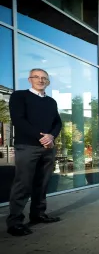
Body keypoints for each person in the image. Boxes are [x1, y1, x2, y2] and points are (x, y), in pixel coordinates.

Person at [6, 68, 62, 236]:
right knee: (23, 184)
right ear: (30, 79)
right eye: (36, 77)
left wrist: (51, 136)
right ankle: (15, 222)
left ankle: (38, 214)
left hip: (48, 148)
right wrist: (41, 137)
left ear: (48, 82)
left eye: (44, 78)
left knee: (42, 183)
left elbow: (58, 123)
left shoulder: (51, 102)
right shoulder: (19, 96)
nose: (40, 80)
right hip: (27, 146)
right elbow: (18, 120)